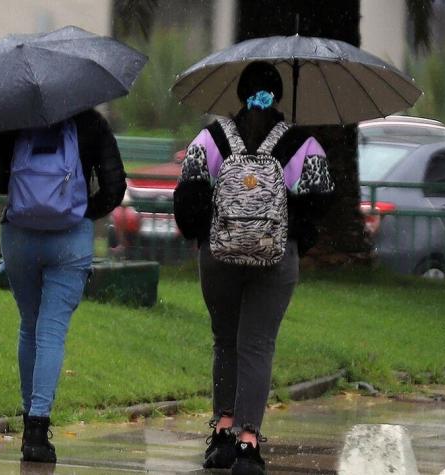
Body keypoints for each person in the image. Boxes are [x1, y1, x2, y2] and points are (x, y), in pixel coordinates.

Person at [173, 61, 335, 475]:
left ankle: (222, 434)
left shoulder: (209, 138)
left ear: (238, 93)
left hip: (218, 256)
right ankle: (248, 444)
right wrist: (290, 231)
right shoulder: (303, 144)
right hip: (276, 258)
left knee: (225, 340)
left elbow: (187, 197)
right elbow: (320, 203)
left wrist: (207, 234)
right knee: (257, 345)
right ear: (279, 96)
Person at [0, 109, 126, 463]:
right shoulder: (91, 123)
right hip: (69, 240)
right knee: (51, 332)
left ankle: (27, 421)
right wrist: (76, 209)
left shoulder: (13, 119)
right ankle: (37, 426)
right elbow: (114, 187)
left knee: (29, 326)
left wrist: (31, 196)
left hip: (18, 237)